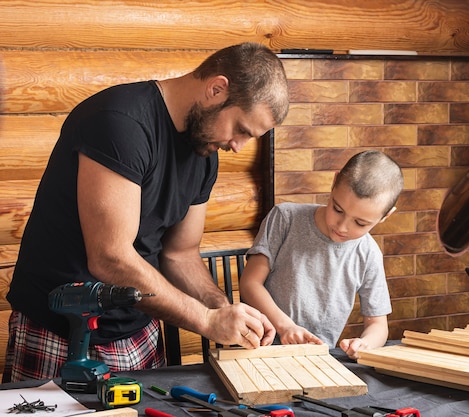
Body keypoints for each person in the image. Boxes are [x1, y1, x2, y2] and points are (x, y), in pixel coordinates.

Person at [3, 42, 289, 382]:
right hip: (61, 330)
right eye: (241, 129)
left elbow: (181, 253)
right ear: (217, 88)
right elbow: (110, 258)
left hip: (138, 329)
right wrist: (206, 321)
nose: (238, 146)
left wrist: (221, 307)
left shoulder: (204, 152)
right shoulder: (118, 121)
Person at [239, 150, 403, 360]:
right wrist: (286, 327)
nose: (342, 227)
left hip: (319, 360)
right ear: (334, 182)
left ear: (385, 216)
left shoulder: (369, 253)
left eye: (360, 223)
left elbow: (378, 325)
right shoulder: (285, 219)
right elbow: (250, 283)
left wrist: (365, 344)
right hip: (259, 351)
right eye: (337, 209)